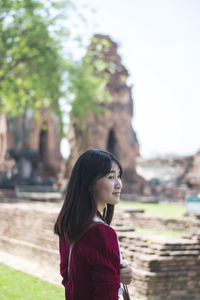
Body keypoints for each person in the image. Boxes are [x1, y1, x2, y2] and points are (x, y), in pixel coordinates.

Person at [54, 149, 133, 299]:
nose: (119, 184)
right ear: (90, 182)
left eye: (119, 177)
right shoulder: (100, 233)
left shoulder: (70, 225)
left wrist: (117, 274)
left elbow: (71, 279)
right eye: (111, 177)